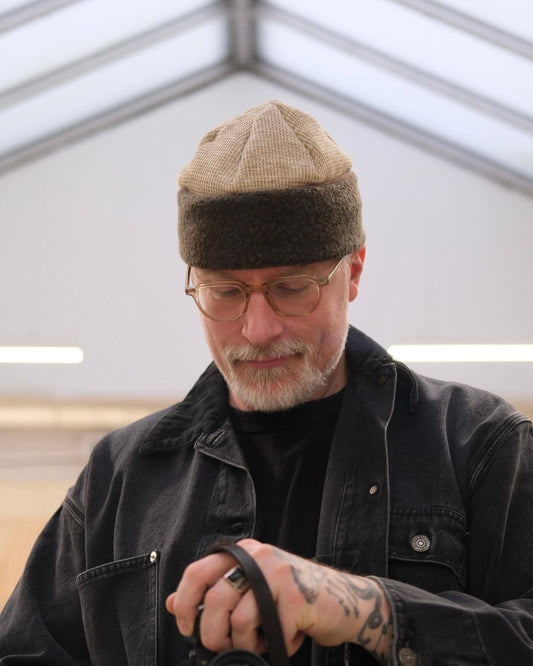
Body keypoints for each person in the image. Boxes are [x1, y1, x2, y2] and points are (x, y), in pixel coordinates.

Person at [1, 100, 532, 666]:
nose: (258, 331)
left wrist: (357, 607)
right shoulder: (120, 477)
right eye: (225, 292)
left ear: (353, 271)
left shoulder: (479, 447)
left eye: (292, 288)